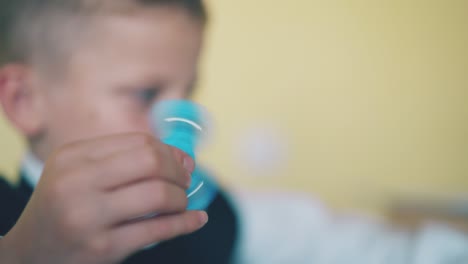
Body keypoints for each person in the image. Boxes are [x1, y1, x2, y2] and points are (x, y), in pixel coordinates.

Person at [0, 1, 467, 264]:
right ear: (25, 101)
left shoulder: (212, 211)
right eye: (145, 94)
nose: (182, 120)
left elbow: (325, 237)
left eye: (190, 92)